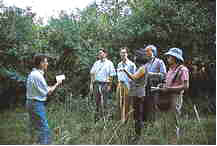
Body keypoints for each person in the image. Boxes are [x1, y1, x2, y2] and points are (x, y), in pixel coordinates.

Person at [26, 54, 62, 144]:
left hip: (30, 102)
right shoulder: (38, 76)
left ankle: (37, 143)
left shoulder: (33, 74)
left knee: (36, 127)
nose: (47, 64)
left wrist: (50, 86)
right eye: (46, 62)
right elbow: (48, 92)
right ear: (41, 63)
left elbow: (41, 89)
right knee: (44, 129)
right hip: (36, 104)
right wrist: (57, 83)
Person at [154, 48, 189, 139]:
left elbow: (185, 86)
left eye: (170, 56)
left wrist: (169, 88)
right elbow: (168, 83)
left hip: (175, 97)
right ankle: (166, 142)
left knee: (173, 123)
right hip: (166, 97)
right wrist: (162, 85)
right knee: (165, 122)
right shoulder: (170, 69)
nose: (168, 57)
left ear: (175, 58)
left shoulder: (183, 69)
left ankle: (173, 143)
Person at [120, 48, 149, 137]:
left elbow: (133, 77)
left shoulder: (142, 68)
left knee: (138, 115)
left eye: (136, 56)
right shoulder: (141, 67)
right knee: (136, 115)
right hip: (137, 93)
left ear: (140, 57)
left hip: (139, 94)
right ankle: (136, 134)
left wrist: (125, 70)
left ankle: (138, 135)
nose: (134, 58)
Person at [90, 48, 116, 121]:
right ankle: (96, 119)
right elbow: (92, 73)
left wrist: (110, 85)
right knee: (96, 102)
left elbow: (112, 75)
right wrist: (91, 85)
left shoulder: (109, 63)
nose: (100, 54)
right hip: (96, 84)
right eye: (99, 53)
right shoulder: (96, 63)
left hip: (105, 84)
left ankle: (105, 120)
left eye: (101, 53)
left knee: (105, 102)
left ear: (105, 54)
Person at [143, 45, 167, 120]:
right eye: (145, 51)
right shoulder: (146, 64)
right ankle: (148, 124)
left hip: (156, 87)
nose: (146, 53)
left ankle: (154, 124)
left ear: (153, 52)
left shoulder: (159, 62)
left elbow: (163, 75)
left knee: (154, 105)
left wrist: (152, 74)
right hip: (146, 87)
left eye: (147, 51)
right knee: (146, 106)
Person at [116, 47, 137, 123]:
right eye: (121, 53)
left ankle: (126, 121)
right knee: (119, 102)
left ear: (127, 54)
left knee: (127, 103)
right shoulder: (119, 64)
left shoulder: (131, 65)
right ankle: (120, 121)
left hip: (127, 84)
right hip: (120, 84)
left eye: (124, 53)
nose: (123, 54)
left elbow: (134, 77)